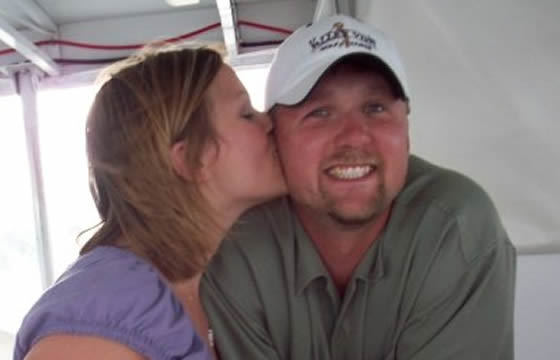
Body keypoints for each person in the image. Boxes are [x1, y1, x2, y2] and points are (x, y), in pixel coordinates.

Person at [201, 14, 516, 360]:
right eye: (320, 112)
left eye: (375, 108)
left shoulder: (455, 228)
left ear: (406, 130)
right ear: (273, 134)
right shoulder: (237, 245)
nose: (354, 136)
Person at [14, 44, 286, 360]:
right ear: (191, 159)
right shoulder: (100, 320)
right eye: (246, 113)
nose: (270, 123)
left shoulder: (198, 280)